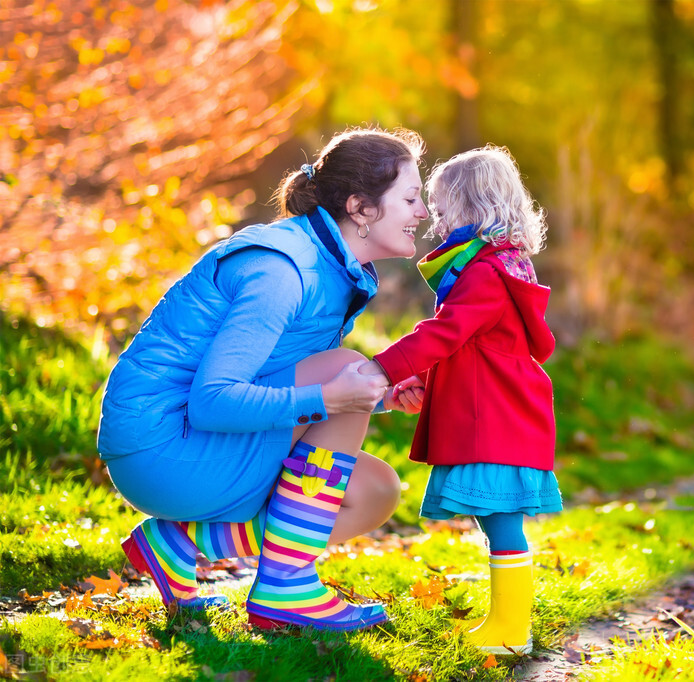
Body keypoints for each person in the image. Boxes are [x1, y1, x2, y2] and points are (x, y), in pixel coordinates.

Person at [96, 127, 427, 632]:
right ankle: (286, 586)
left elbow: (282, 381)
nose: (423, 213)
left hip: (203, 442)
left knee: (374, 490)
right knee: (348, 367)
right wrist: (338, 391)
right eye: (411, 198)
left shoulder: (332, 267)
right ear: (361, 207)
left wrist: (376, 397)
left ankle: (181, 545)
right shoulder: (282, 271)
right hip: (163, 444)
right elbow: (213, 401)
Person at [360, 146, 561, 654]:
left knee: (500, 523)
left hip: (494, 420)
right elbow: (473, 345)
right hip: (498, 411)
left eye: (443, 204)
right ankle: (506, 624)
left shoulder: (486, 273)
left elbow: (445, 333)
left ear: (475, 205)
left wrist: (383, 367)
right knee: (496, 523)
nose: (434, 215)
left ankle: (511, 630)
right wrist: (425, 380)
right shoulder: (496, 265)